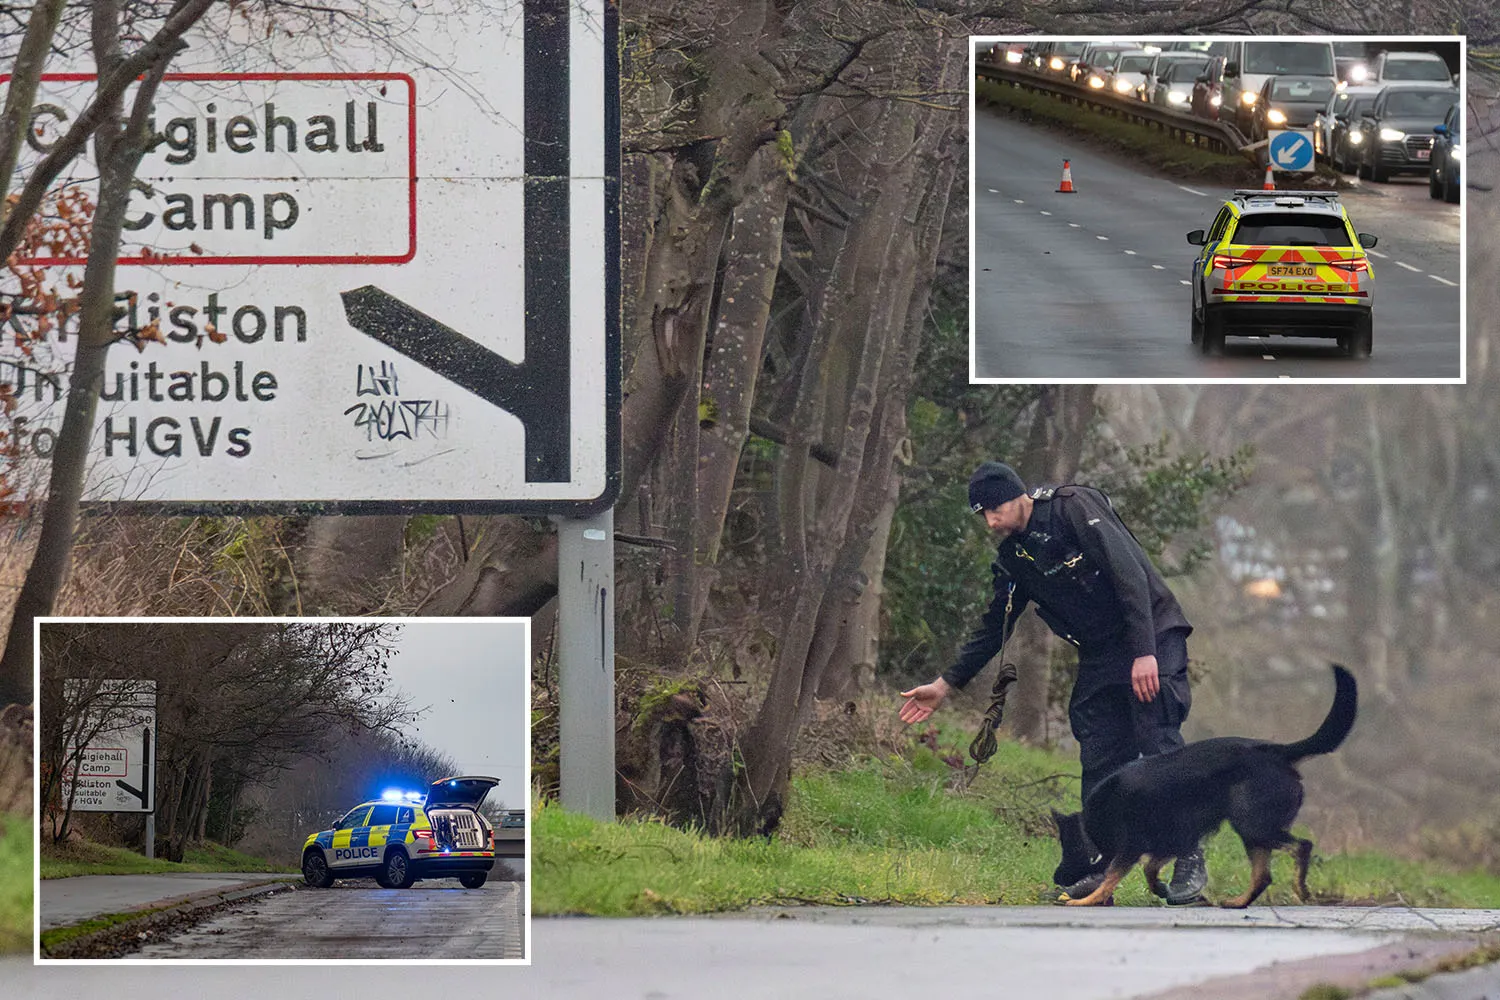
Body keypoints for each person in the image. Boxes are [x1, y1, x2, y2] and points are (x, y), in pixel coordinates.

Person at [898, 461, 1205, 905]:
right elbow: (992, 627)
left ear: (1016, 495)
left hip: (1151, 634)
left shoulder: (1074, 507)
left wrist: (1145, 652)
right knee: (1100, 755)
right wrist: (945, 685)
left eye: (993, 509)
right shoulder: (1015, 557)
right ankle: (1101, 875)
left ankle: (1189, 856)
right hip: (1100, 653)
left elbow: (1130, 574)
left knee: (1157, 739)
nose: (990, 522)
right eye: (982, 515)